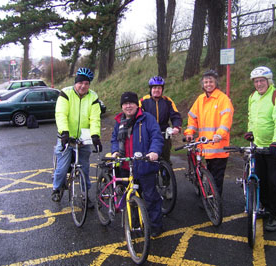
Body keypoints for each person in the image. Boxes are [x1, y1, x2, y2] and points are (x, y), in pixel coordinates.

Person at [111, 91, 164, 237]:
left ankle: (155, 226)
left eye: (131, 103)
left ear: (137, 105)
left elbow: (156, 137)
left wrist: (154, 152)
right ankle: (134, 223)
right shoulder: (119, 122)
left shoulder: (147, 119)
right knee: (131, 199)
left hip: (145, 165)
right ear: (122, 106)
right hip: (126, 167)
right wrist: (115, 151)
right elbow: (115, 139)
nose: (128, 106)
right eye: (125, 104)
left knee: (151, 197)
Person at [245, 66, 276, 232]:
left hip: (275, 148)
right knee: (260, 180)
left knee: (274, 182)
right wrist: (250, 132)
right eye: (256, 81)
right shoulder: (253, 97)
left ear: (268, 81)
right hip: (259, 146)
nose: (258, 84)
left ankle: (275, 213)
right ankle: (264, 207)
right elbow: (252, 117)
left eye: (262, 81)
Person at [51, 67, 102, 208]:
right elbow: (61, 114)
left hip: (83, 139)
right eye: (81, 83)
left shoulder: (93, 97)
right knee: (62, 168)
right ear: (75, 82)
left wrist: (96, 136)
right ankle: (57, 188)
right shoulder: (65, 93)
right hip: (66, 137)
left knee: (85, 169)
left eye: (86, 83)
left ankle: (85, 196)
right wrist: (64, 132)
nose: (83, 86)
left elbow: (95, 119)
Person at [184, 70, 234, 197]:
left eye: (211, 81)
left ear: (216, 83)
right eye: (206, 82)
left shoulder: (223, 99)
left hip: (218, 146)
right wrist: (190, 132)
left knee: (216, 177)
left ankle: (215, 202)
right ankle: (207, 196)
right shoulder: (200, 99)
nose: (208, 84)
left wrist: (220, 134)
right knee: (205, 173)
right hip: (205, 146)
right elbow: (192, 117)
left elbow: (226, 119)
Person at [139, 76, 182, 164]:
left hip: (164, 133)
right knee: (148, 159)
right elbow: (138, 116)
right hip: (148, 134)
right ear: (150, 89)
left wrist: (176, 127)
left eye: (159, 88)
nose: (157, 90)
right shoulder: (143, 101)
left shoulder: (167, 101)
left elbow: (175, 115)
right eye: (154, 88)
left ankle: (166, 173)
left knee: (165, 158)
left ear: (162, 89)